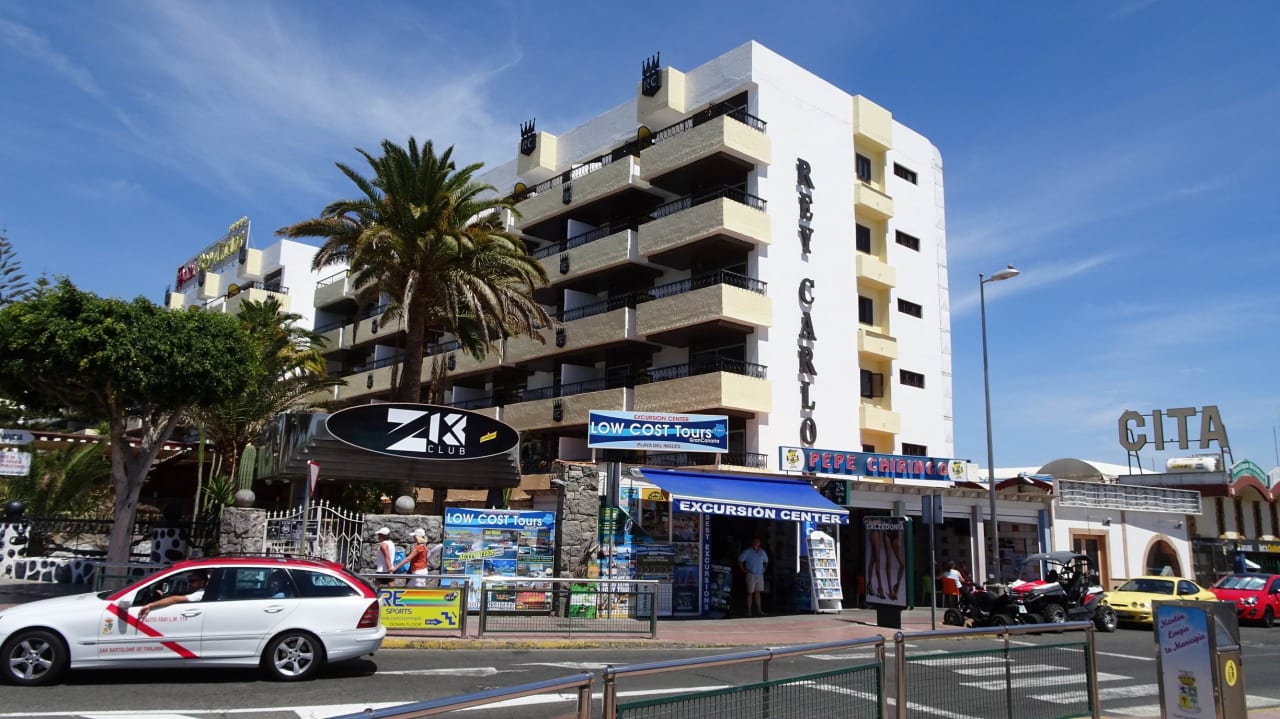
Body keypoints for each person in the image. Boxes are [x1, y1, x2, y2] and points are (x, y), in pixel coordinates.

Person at [138, 570, 207, 620]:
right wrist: (164, 597)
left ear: (202, 582)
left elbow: (175, 599)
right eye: (189, 581)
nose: (189, 583)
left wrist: (150, 605)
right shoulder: (196, 592)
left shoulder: (201, 593)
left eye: (192, 581)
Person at [737, 537, 769, 616]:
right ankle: (749, 611)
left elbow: (766, 561)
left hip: (760, 575)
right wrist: (743, 570)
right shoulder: (747, 551)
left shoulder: (762, 551)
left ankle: (759, 610)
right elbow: (740, 560)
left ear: (760, 543)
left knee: (758, 593)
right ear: (752, 542)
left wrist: (764, 568)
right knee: (750, 593)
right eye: (755, 541)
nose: (756, 543)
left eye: (758, 541)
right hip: (751, 575)